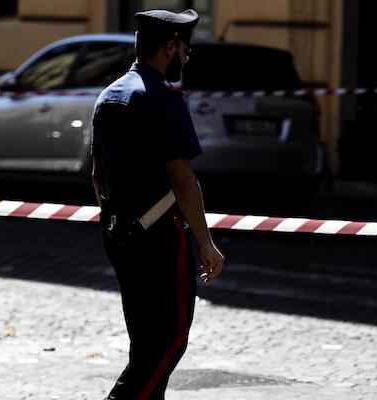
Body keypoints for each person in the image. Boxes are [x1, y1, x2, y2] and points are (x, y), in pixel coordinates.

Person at [90, 8, 225, 400]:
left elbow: (99, 175)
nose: (185, 58)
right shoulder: (163, 100)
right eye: (184, 50)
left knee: (145, 342)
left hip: (119, 235)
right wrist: (205, 243)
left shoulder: (109, 95)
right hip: (161, 239)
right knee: (168, 343)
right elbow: (182, 179)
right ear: (171, 47)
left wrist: (116, 220)